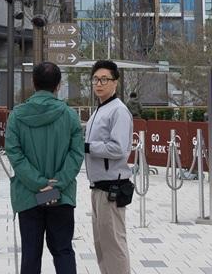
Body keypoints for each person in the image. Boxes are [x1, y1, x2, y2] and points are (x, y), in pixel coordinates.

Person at [6, 61, 84, 274]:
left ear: (33, 82)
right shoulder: (70, 115)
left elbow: (14, 154)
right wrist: (56, 184)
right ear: (59, 85)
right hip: (61, 194)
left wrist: (39, 183)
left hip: (28, 195)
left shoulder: (16, 116)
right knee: (63, 251)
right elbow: (76, 154)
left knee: (31, 254)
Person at [84, 60, 133, 274]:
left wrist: (88, 147)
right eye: (95, 79)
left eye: (104, 79)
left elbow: (118, 148)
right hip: (98, 187)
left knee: (113, 244)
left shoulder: (118, 111)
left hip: (111, 187)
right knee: (102, 244)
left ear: (115, 82)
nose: (99, 84)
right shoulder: (100, 109)